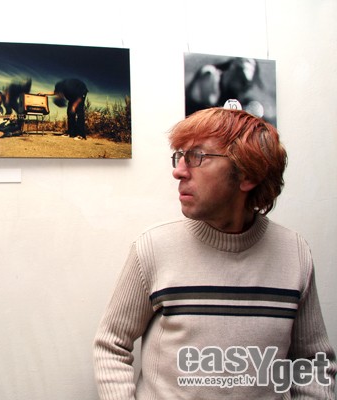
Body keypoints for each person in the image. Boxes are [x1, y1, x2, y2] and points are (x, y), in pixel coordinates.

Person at [93, 107, 336, 399]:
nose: (178, 171)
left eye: (197, 156)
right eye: (180, 156)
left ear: (248, 174)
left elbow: (312, 365)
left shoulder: (294, 253)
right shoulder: (154, 248)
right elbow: (111, 344)